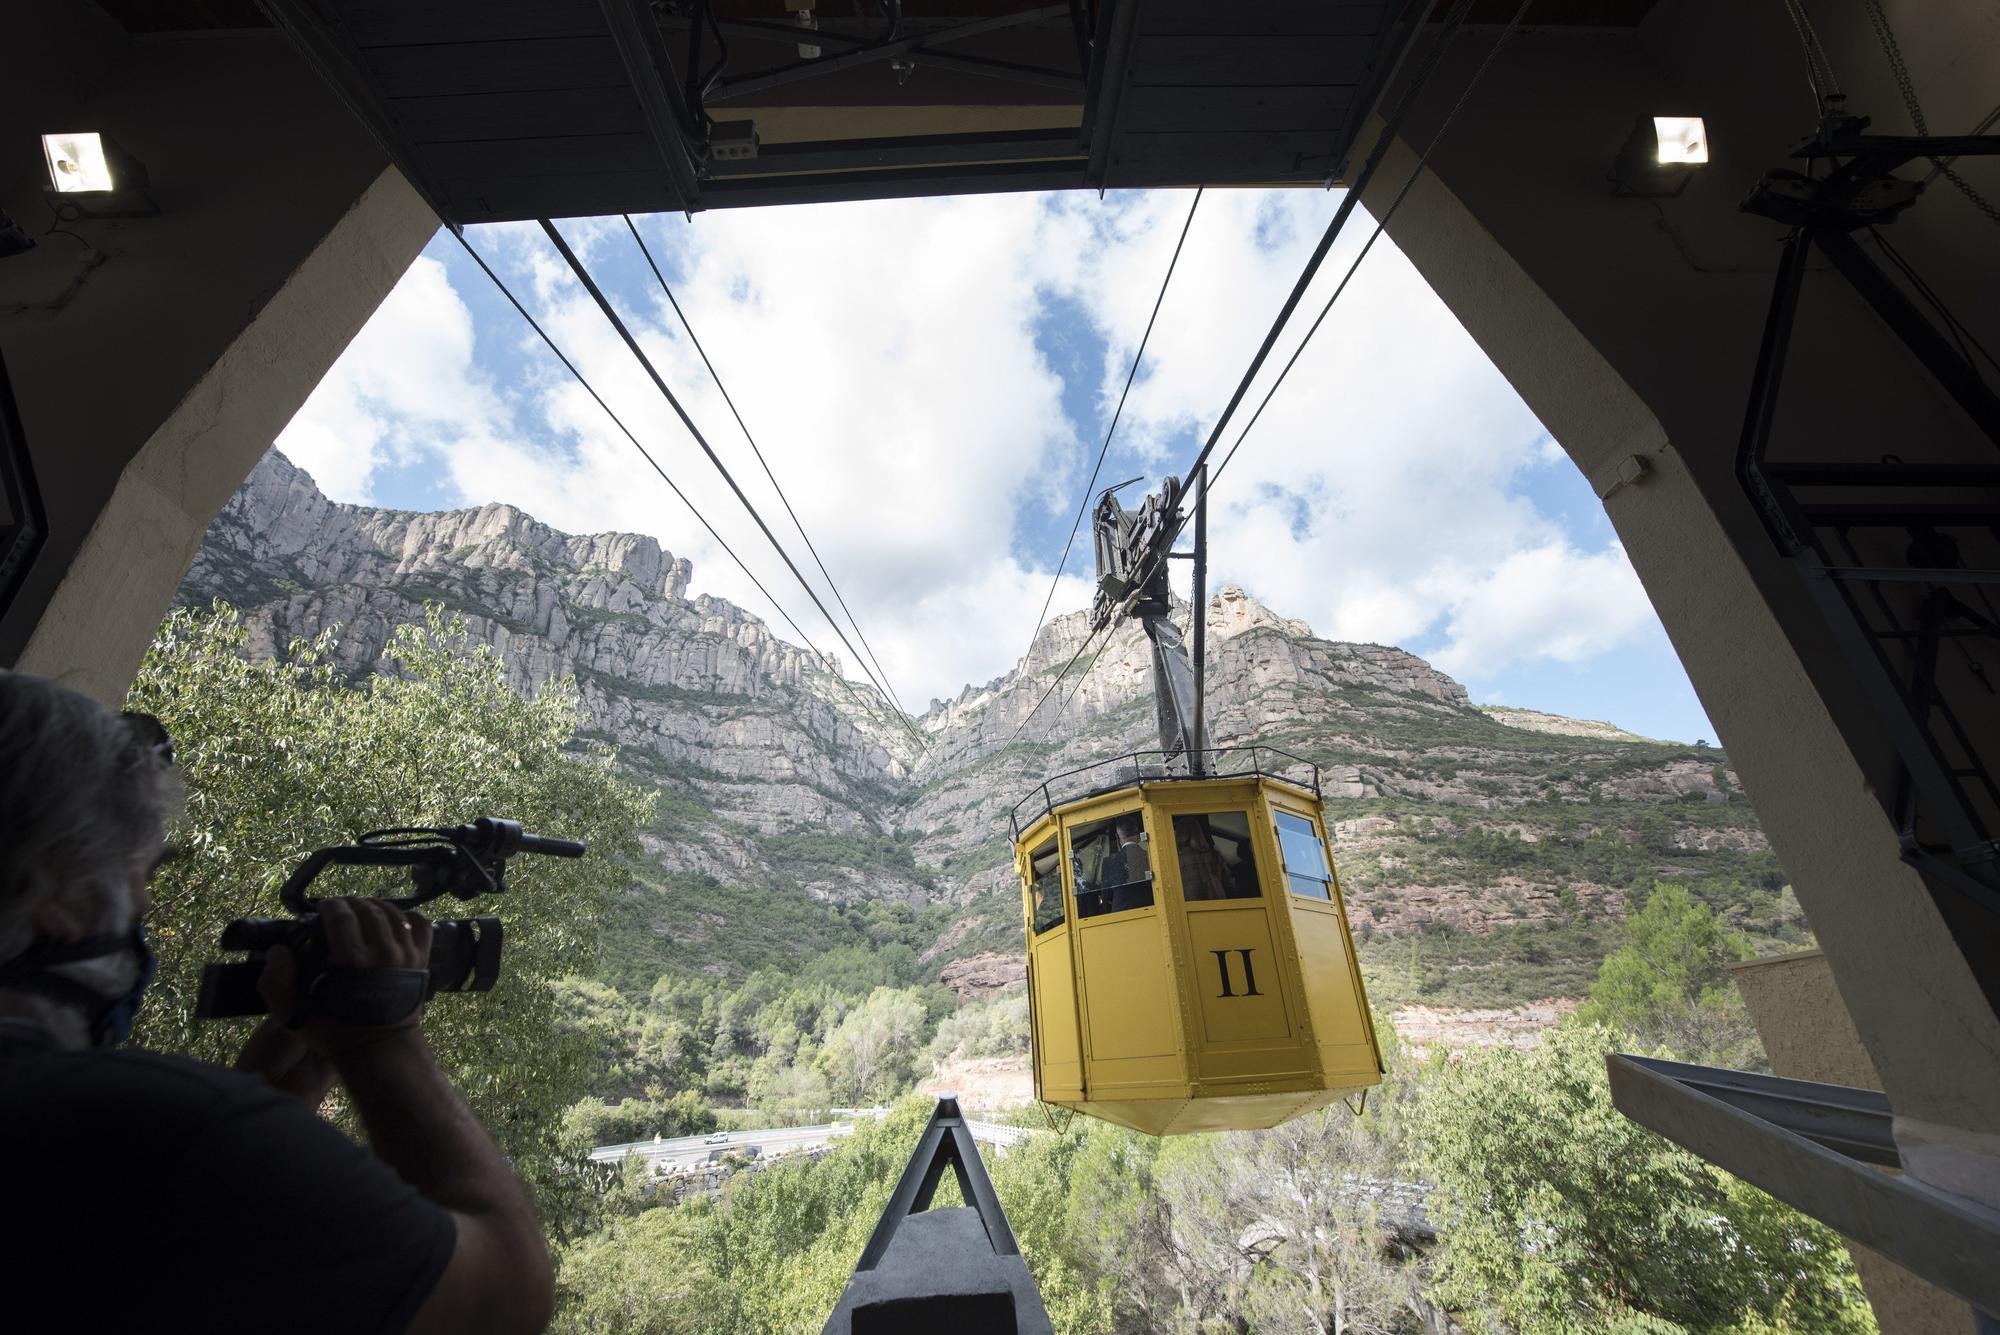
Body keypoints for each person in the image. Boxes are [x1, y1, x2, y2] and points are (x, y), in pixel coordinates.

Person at [0, 672, 554, 1334]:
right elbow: (505, 1299)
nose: (143, 904)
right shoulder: (146, 1128)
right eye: (138, 873)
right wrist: (381, 1035)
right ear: (56, 890)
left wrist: (274, 1076)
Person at [1175, 818, 1234, 902]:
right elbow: (1229, 885)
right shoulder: (1214, 856)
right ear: (1199, 833)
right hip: (1218, 904)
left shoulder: (1175, 861)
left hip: (1190, 907)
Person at [1107, 814, 1153, 913]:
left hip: (1121, 913)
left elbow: (1106, 894)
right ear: (1139, 835)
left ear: (1117, 836)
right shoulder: (1150, 857)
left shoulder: (1109, 862)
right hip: (1149, 910)